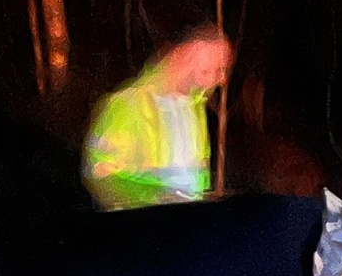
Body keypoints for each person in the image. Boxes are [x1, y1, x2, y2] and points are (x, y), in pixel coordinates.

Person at [83, 28, 235, 211]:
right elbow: (102, 175)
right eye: (211, 68)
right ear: (182, 54)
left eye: (222, 69)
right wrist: (157, 196)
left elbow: (194, 178)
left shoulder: (194, 108)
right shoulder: (127, 106)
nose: (220, 78)